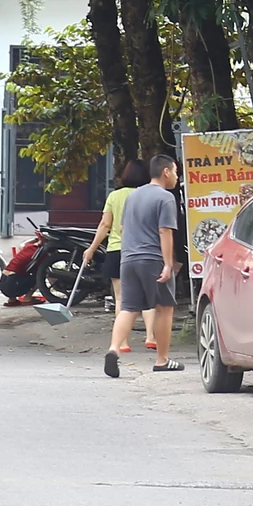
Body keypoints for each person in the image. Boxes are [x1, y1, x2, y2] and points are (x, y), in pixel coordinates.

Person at [105, 155, 183, 377]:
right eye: (175, 171)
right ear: (166, 172)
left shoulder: (133, 196)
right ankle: (162, 359)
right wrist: (168, 264)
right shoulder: (165, 198)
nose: (177, 177)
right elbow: (165, 231)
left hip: (128, 258)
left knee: (129, 307)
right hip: (152, 259)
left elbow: (121, 228)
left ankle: (113, 349)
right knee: (164, 308)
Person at [85, 158, 150, 315]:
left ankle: (122, 338)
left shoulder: (114, 196)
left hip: (116, 251)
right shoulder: (148, 195)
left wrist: (91, 249)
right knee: (147, 299)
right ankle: (150, 336)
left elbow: (105, 225)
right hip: (142, 251)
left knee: (121, 298)